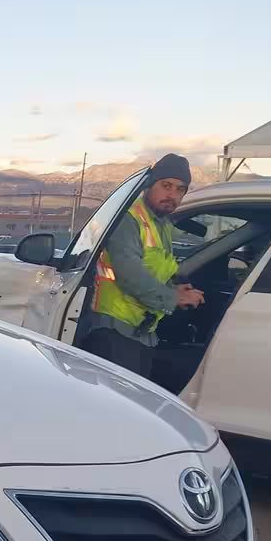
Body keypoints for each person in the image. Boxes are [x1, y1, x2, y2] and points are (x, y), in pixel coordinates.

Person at [80, 154, 205, 379]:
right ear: (150, 184)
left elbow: (158, 267)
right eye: (166, 186)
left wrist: (175, 288)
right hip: (113, 330)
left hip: (140, 332)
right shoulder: (129, 220)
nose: (172, 195)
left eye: (180, 190)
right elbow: (130, 274)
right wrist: (172, 299)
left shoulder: (162, 224)